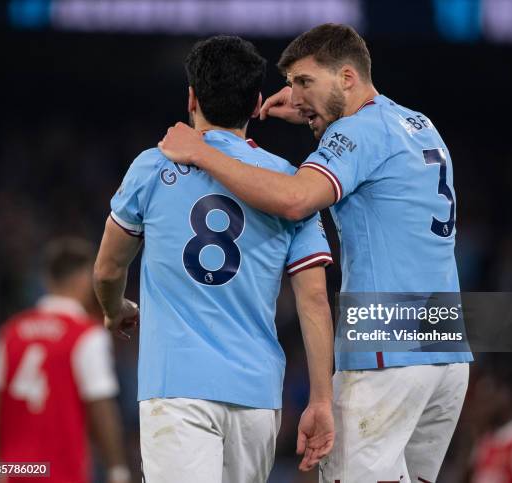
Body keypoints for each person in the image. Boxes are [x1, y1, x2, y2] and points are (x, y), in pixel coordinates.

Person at [158, 23, 473, 483]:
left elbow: (295, 199)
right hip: (445, 345)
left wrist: (202, 153)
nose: (295, 95)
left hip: (387, 346)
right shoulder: (417, 123)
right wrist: (312, 110)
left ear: (347, 78)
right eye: (290, 85)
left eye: (304, 82)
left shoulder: (358, 134)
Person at [93, 35, 335, 483]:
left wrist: (114, 309)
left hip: (176, 387)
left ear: (191, 98)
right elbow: (315, 299)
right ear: (257, 102)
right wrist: (321, 398)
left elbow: (108, 269)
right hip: (257, 394)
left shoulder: (152, 167)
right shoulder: (290, 184)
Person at [0, 237, 130, 483]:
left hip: (14, 473)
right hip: (63, 473)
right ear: (86, 279)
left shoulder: (10, 332)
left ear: (47, 279)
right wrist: (118, 470)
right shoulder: (86, 335)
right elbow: (101, 407)